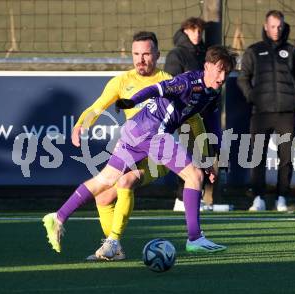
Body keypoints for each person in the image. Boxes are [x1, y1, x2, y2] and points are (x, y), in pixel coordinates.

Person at [44, 45, 237, 259]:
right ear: (207, 66)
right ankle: (195, 238)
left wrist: (213, 154)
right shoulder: (188, 82)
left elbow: (211, 123)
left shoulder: (212, 93)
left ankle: (58, 217)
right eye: (218, 69)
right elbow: (157, 89)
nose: (222, 76)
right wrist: (132, 101)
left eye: (226, 72)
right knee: (195, 175)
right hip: (153, 133)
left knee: (106, 180)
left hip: (134, 130)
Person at [237, 10, 295, 212]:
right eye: (273, 26)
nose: (276, 30)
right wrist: (252, 97)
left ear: (283, 27)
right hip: (260, 114)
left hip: (287, 114)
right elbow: (243, 78)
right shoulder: (253, 51)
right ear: (265, 26)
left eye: (280, 26)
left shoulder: (293, 52)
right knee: (257, 156)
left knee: (286, 158)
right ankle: (258, 197)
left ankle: (282, 198)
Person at [164, 17, 218, 211]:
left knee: (206, 154)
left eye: (199, 30)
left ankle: (199, 197)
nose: (197, 34)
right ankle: (181, 199)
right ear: (184, 31)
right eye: (192, 30)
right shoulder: (177, 54)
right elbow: (172, 84)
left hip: (205, 112)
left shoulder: (204, 53)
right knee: (187, 157)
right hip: (186, 113)